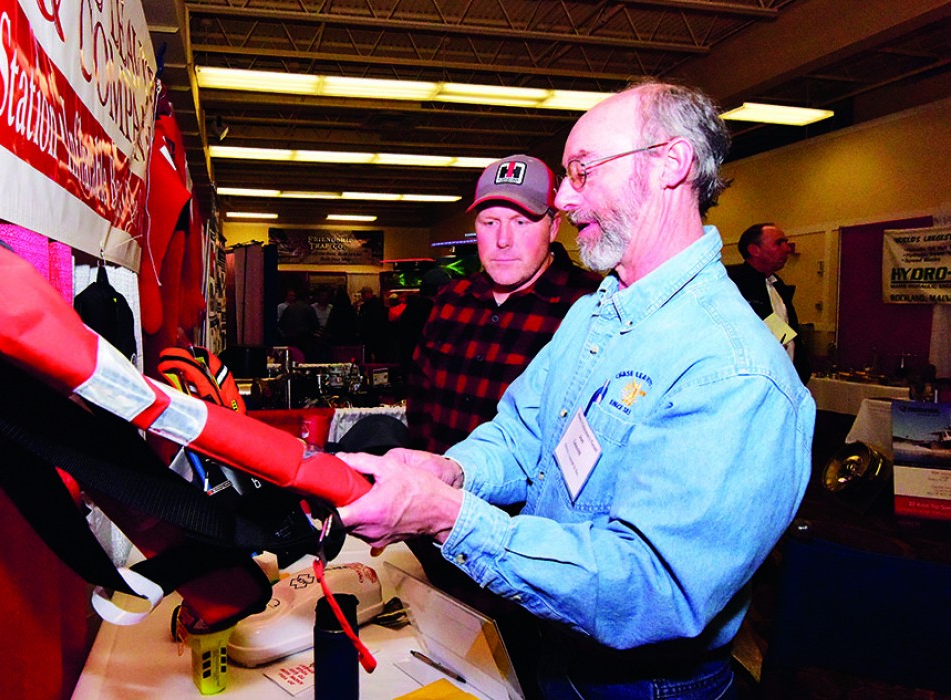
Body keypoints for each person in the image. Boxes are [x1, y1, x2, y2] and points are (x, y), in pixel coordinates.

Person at [338, 81, 815, 699]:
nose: (563, 197)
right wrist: (447, 472)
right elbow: (522, 436)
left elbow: (649, 589)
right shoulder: (598, 313)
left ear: (671, 164)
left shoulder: (733, 371)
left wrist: (448, 517)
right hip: (554, 653)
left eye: (582, 172)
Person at [407, 153, 601, 454]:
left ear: (552, 228)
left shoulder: (590, 306)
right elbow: (419, 403)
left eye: (521, 222)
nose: (503, 240)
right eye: (490, 222)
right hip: (437, 491)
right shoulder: (451, 300)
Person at [727, 223, 812, 383]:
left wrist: (800, 367)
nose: (787, 249)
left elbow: (785, 335)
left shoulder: (776, 285)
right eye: (779, 243)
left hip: (786, 379)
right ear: (754, 250)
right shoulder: (733, 286)